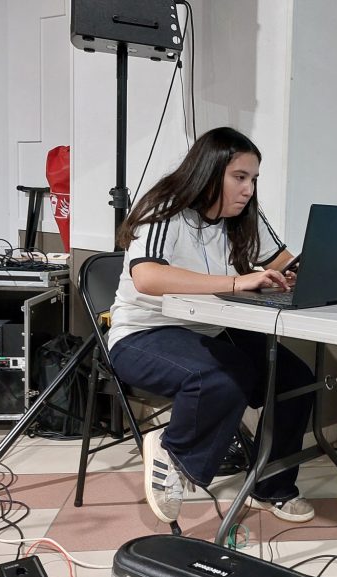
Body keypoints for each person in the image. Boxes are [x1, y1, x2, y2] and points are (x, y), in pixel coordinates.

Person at [108, 126, 316, 524]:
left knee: (295, 380)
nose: (248, 189)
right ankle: (173, 449)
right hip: (142, 334)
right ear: (208, 172)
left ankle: (271, 488)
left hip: (210, 328)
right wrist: (236, 282)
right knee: (224, 375)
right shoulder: (165, 209)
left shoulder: (242, 216)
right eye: (239, 177)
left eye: (253, 179)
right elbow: (147, 277)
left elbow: (282, 261)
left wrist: (303, 274)